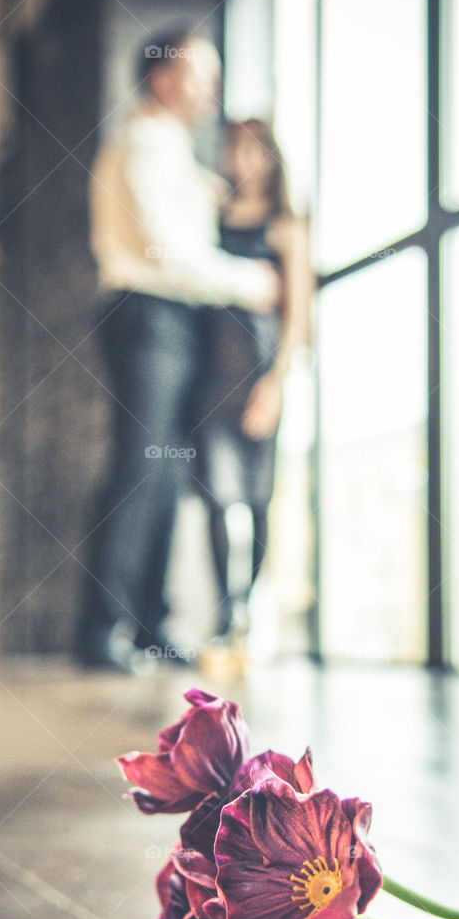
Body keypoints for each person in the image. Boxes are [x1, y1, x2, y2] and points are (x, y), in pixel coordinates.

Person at [79, 33, 280, 672]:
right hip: (150, 314)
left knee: (166, 475)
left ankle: (146, 624)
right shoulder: (142, 146)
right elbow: (172, 254)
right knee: (143, 469)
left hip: (172, 323)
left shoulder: (174, 155)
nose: (212, 89)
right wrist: (253, 282)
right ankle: (104, 630)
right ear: (162, 78)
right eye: (202, 73)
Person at [192, 118, 312, 645]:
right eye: (235, 148)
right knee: (218, 496)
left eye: (254, 149)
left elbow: (298, 312)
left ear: (272, 157)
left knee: (259, 499)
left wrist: (277, 382)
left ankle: (248, 605)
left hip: (260, 373)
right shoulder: (211, 215)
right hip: (210, 374)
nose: (243, 160)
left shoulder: (288, 226)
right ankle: (226, 611)